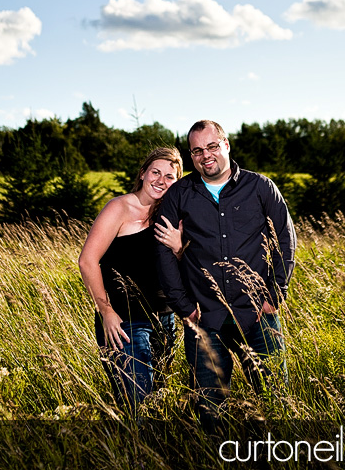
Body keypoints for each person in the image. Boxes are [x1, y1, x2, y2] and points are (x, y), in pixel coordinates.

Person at [155, 120, 296, 420]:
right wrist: (183, 307)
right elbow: (162, 250)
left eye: (212, 146)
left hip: (258, 314)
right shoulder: (179, 193)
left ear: (226, 145)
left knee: (276, 403)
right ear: (190, 156)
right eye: (196, 151)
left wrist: (275, 294)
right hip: (204, 318)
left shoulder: (260, 187)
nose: (205, 156)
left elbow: (285, 238)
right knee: (210, 410)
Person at [78, 146, 183, 412]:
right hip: (125, 322)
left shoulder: (171, 216)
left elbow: (187, 268)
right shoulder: (119, 208)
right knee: (138, 406)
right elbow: (87, 261)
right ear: (142, 174)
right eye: (155, 172)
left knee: (157, 405)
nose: (160, 180)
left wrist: (180, 247)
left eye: (169, 176)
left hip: (165, 320)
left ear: (177, 182)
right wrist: (106, 311)